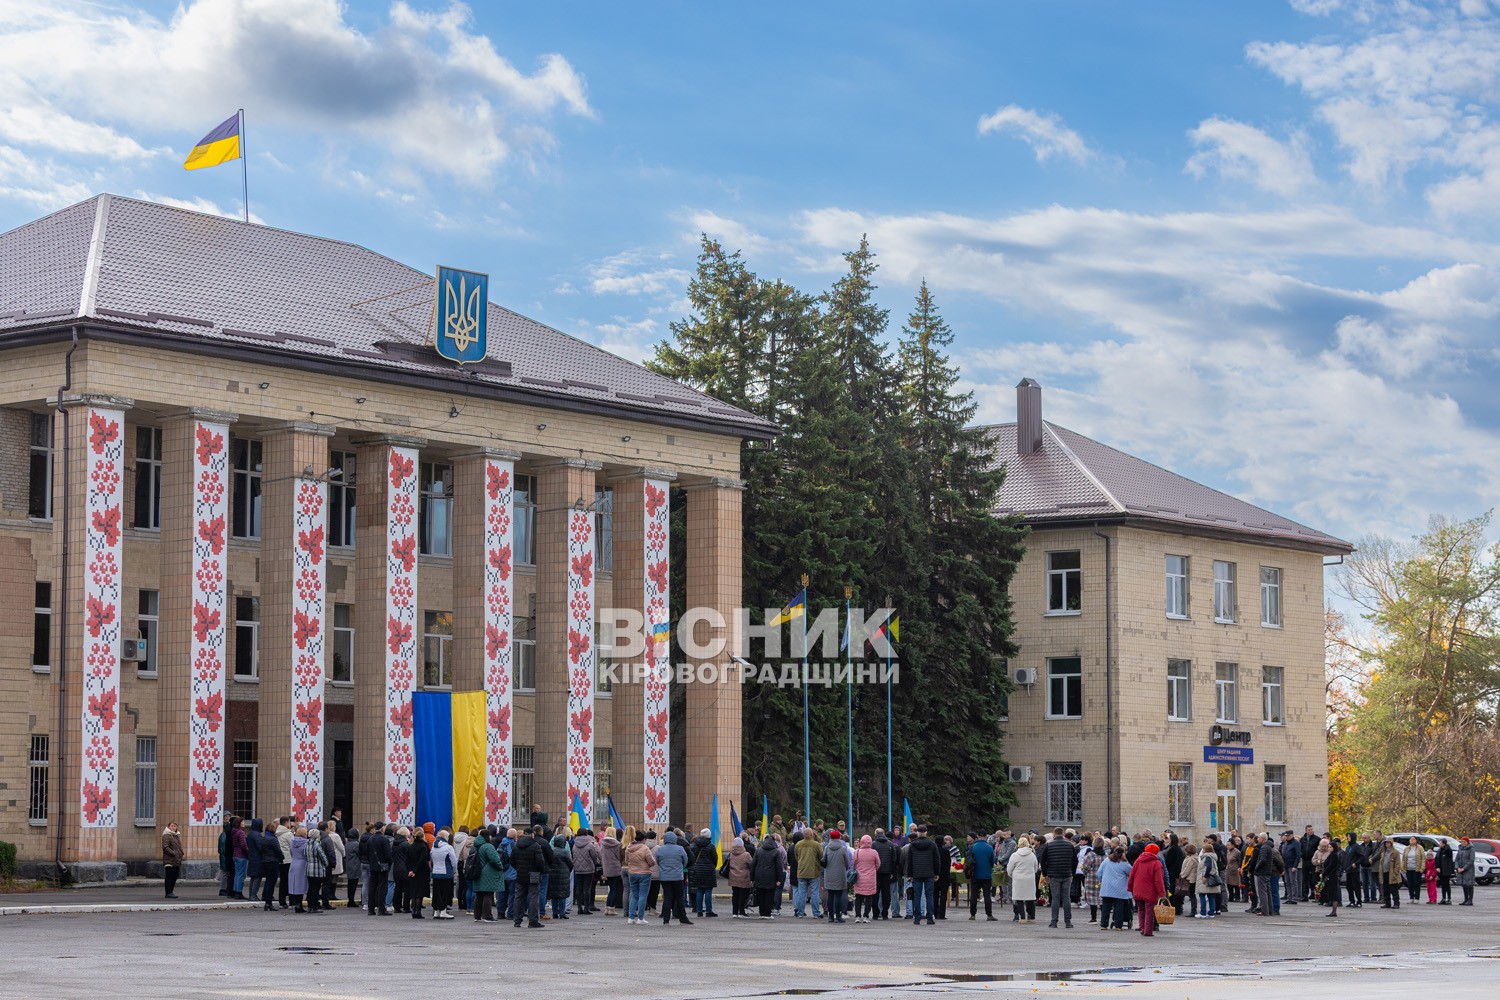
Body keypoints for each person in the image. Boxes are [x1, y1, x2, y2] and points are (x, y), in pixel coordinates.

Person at [1038, 826, 1077, 928]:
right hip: (1067, 875)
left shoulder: (1049, 845)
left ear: (1054, 834)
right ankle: (1068, 922)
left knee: (1055, 899)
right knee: (1066, 898)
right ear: (1063, 834)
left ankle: (1054, 921)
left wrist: (1046, 874)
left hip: (1054, 875)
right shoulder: (1069, 845)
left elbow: (1043, 861)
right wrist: (1072, 873)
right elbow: (1075, 861)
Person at [905, 825, 943, 926]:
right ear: (926, 832)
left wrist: (910, 874)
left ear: (917, 833)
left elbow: (909, 861)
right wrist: (936, 873)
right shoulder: (932, 844)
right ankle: (929, 918)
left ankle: (917, 918)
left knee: (917, 896)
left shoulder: (912, 845)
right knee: (929, 896)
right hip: (929, 873)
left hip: (916, 874)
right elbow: (937, 860)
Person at [1128, 842, 1167, 937]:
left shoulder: (1138, 861)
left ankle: (1142, 927)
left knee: (1141, 909)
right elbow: (1158, 880)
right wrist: (1162, 893)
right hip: (1150, 891)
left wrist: (1130, 888)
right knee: (1149, 911)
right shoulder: (1156, 863)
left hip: (1137, 889)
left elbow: (1131, 875)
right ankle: (1148, 930)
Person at [655, 830, 692, 925]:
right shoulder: (680, 849)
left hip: (664, 877)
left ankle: (666, 919)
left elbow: (658, 861)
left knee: (667, 897)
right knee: (679, 898)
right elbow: (685, 860)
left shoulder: (660, 849)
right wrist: (680, 868)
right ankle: (683, 918)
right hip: (677, 877)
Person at [1006, 835, 1039, 923]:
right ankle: (1032, 917)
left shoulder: (1015, 855)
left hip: (1018, 879)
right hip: (1030, 879)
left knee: (1019, 898)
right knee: (1030, 898)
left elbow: (1009, 869)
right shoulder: (1032, 855)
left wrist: (1012, 875)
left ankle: (1023, 918)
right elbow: (1036, 868)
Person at [687, 828, 719, 917]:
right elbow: (715, 859)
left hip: (697, 870)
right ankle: (709, 911)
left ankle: (699, 910)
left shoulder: (694, 845)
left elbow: (692, 857)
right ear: (709, 836)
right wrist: (713, 866)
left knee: (699, 890)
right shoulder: (711, 846)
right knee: (708, 890)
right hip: (709, 870)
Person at [822, 830, 852, 924]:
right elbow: (847, 863)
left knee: (830, 895)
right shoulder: (843, 848)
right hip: (840, 875)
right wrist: (844, 869)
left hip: (829, 875)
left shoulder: (827, 848)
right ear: (839, 837)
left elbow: (824, 860)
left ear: (830, 837)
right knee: (838, 895)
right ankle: (838, 916)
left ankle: (831, 916)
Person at [792, 828, 824, 918]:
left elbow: (796, 857)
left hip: (801, 871)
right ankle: (816, 913)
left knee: (802, 893)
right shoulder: (816, 845)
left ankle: (800, 913)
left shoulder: (798, 844)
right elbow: (821, 857)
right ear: (812, 835)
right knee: (814, 893)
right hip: (814, 872)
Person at [1097, 846, 1131, 930]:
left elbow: (1099, 872)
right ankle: (1118, 925)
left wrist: (1102, 881)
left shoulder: (1106, 860)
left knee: (1106, 907)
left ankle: (1103, 924)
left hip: (1107, 888)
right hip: (1119, 888)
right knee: (1119, 907)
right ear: (1123, 853)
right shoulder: (1124, 863)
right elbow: (1131, 872)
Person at [967, 832, 997, 921]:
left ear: (977, 836)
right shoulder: (989, 847)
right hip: (986, 874)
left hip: (975, 874)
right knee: (987, 895)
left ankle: (973, 915)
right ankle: (989, 915)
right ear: (986, 836)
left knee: (974, 895)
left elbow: (968, 860)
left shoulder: (972, 847)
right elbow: (992, 861)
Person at [366, 824, 392, 916]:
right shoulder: (384, 839)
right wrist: (389, 863)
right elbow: (388, 855)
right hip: (383, 866)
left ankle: (371, 909)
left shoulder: (370, 839)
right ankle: (381, 908)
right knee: (382, 887)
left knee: (372, 887)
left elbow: (366, 853)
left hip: (373, 866)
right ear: (381, 828)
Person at [304, 824, 331, 914]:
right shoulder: (317, 845)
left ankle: (310, 906)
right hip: (317, 870)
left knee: (310, 888)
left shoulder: (307, 844)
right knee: (316, 888)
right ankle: (315, 907)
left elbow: (305, 855)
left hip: (309, 869)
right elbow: (322, 856)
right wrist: (326, 864)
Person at [548, 831, 574, 919]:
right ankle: (562, 913)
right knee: (562, 894)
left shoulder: (551, 851)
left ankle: (554, 912)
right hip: (563, 875)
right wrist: (568, 870)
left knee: (554, 895)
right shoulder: (565, 852)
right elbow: (570, 864)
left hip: (553, 875)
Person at [405, 827, 431, 918]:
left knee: (414, 892)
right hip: (421, 871)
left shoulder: (410, 846)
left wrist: (410, 870)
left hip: (412, 871)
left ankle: (413, 911)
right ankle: (418, 911)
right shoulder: (424, 846)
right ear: (423, 836)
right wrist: (415, 870)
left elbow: (407, 860)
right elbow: (424, 859)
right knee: (420, 893)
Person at [599, 827, 624, 915]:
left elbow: (601, 855)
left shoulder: (603, 844)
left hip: (607, 868)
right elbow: (619, 856)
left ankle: (607, 907)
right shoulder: (617, 844)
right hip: (616, 868)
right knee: (614, 889)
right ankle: (611, 908)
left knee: (611, 888)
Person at [1195, 838, 1220, 918]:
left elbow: (1208, 867)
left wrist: (1205, 876)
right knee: (1211, 896)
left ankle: (1203, 912)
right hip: (1210, 878)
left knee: (1202, 895)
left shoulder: (1207, 857)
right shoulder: (1213, 856)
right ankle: (1211, 912)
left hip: (1206, 878)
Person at [1080, 837, 1102, 924]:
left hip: (1091, 879)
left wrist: (1085, 872)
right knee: (1102, 898)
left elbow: (1085, 868)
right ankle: (1104, 917)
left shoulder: (1090, 855)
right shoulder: (1105, 855)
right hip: (1102, 879)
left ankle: (1094, 918)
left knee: (1092, 898)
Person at [288, 826, 310, 913]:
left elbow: (290, 852)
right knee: (301, 885)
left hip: (293, 863)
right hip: (302, 863)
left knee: (294, 885)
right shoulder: (306, 843)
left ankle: (296, 904)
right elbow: (307, 854)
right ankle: (299, 905)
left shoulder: (292, 842)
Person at [161, 821, 184, 899]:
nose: (173, 827)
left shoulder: (176, 836)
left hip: (176, 860)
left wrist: (181, 853)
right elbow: (165, 847)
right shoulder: (166, 836)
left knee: (175, 876)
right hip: (169, 860)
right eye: (172, 826)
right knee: (169, 876)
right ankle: (168, 892)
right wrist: (174, 853)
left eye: (175, 826)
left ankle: (171, 891)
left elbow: (178, 847)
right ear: (168, 827)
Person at [1178, 843, 1199, 918]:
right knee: (1192, 895)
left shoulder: (1191, 859)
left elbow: (1187, 869)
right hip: (1192, 878)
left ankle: (1193, 910)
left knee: (1192, 895)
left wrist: (1182, 875)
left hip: (1190, 879)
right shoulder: (1194, 858)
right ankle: (1194, 910)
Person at [1299, 824, 1320, 902]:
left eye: (1312, 829)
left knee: (1315, 878)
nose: (1311, 831)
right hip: (1305, 860)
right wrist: (1302, 854)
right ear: (1306, 830)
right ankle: (1304, 896)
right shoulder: (1303, 839)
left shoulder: (1317, 839)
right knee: (1305, 879)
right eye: (1309, 830)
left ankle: (1316, 895)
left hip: (1313, 861)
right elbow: (1300, 848)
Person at [1456, 837, 1477, 905]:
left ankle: (1470, 900)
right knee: (1464, 884)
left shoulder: (1471, 849)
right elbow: (1457, 859)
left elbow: (1471, 860)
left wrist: (1464, 868)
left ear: (1468, 842)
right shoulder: (1460, 849)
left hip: (1468, 870)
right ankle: (1465, 900)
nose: (1463, 843)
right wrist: (1457, 867)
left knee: (1469, 885)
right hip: (1461, 869)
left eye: (1465, 842)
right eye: (1462, 842)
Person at [1402, 837, 1424, 902]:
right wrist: (1403, 867)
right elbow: (1403, 859)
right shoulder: (1406, 848)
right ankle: (1411, 897)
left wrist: (1422, 868)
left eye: (1413, 839)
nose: (1411, 840)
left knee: (1416, 883)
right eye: (1410, 839)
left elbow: (1423, 858)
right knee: (1410, 884)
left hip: (1417, 869)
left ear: (1416, 840)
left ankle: (1417, 898)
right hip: (1408, 868)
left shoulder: (1420, 848)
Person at [1437, 839, 1455, 904]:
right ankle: (1443, 898)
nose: (1440, 844)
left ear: (1444, 844)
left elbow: (1450, 859)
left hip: (1446, 870)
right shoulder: (1439, 850)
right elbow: (1437, 859)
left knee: (1447, 884)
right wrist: (1437, 867)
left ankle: (1449, 898)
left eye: (1441, 843)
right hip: (1440, 870)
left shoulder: (1448, 850)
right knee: (1442, 885)